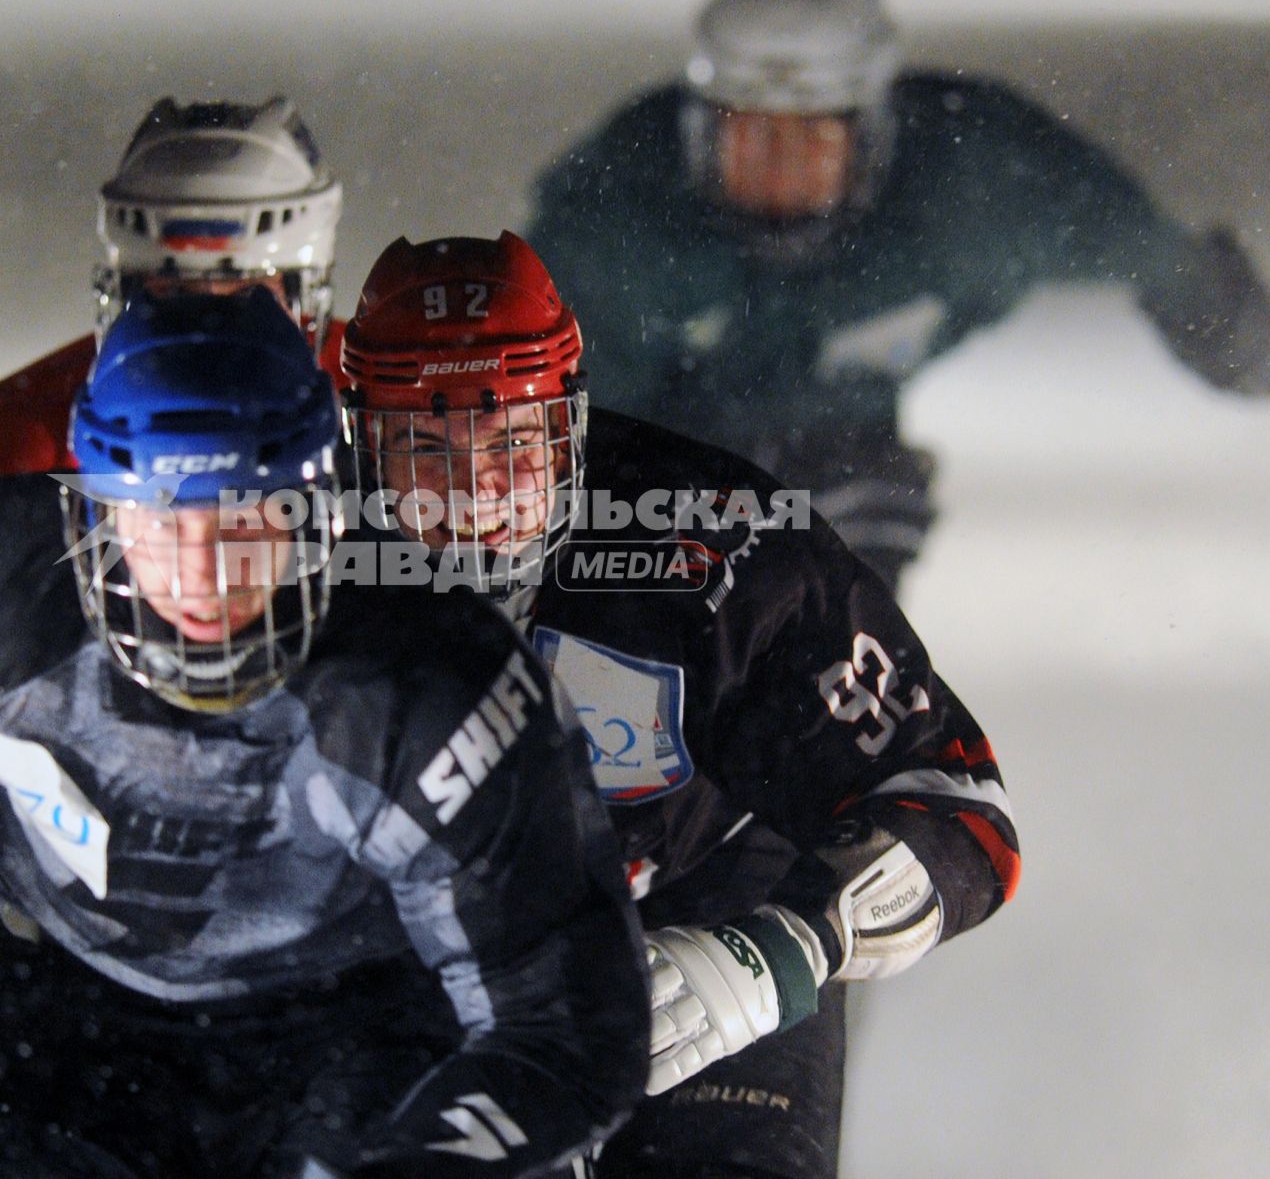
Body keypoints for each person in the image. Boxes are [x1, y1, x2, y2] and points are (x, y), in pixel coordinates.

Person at [0, 289, 651, 1178]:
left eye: (242, 518)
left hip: (365, 1038)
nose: (201, 573)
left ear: (317, 510)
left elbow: (571, 1031)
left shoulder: (435, 677)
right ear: (86, 508)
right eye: (158, 522)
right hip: (68, 1036)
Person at [337, 232, 1019, 1179]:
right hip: (388, 957)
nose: (474, 495)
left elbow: (955, 808)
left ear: (572, 425)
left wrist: (782, 949)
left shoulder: (724, 543)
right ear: (352, 445)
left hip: (700, 908)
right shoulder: (256, 552)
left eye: (512, 442)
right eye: (422, 445)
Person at [524, 0, 1270, 589]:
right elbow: (565, 432)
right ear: (697, 136)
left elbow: (1135, 242)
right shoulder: (612, 220)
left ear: (871, 139)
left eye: (812, 144)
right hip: (668, 463)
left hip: (854, 470)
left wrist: (1219, 316)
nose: (781, 174)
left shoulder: (981, 182)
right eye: (750, 142)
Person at [0, 94, 345, 496]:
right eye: (177, 292)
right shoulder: (18, 426)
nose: (210, 328)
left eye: (249, 295)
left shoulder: (384, 394)